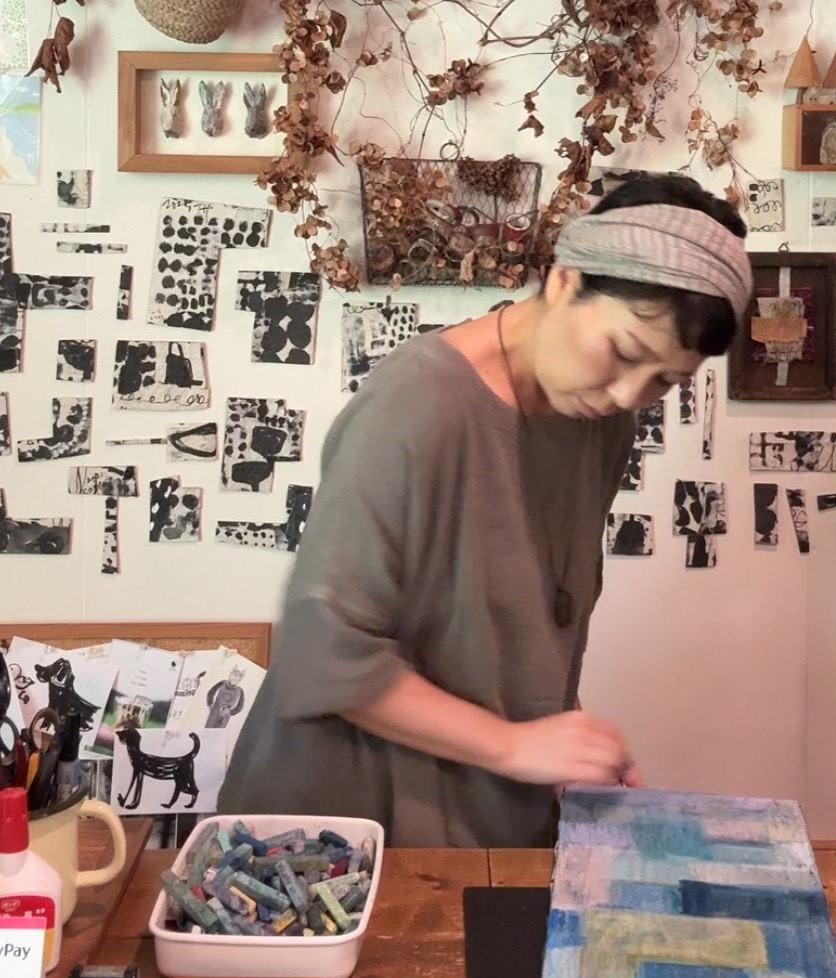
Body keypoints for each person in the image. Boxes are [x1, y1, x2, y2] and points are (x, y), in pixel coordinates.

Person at [218, 172, 752, 847]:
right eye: (622, 352)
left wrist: (565, 743)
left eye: (665, 381)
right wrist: (515, 745)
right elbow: (323, 652)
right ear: (564, 281)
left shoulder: (598, 418)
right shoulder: (416, 407)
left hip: (484, 800)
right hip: (342, 824)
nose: (627, 395)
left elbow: (533, 608)